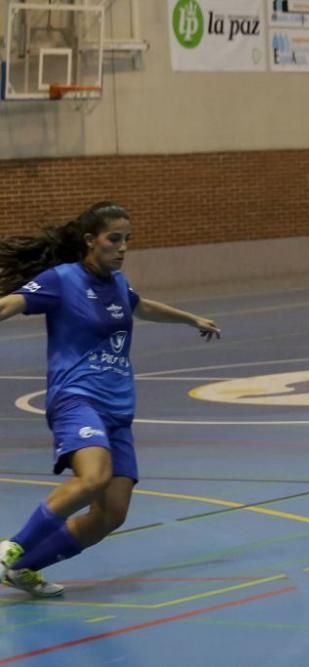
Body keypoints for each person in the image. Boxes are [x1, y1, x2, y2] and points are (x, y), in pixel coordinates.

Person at [0, 202, 221, 597]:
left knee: (111, 514)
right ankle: (11, 548)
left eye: (126, 240)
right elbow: (10, 303)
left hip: (118, 408)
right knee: (94, 478)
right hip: (76, 397)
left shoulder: (118, 283)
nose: (121, 248)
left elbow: (142, 306)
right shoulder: (61, 280)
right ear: (90, 240)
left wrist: (192, 319)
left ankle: (23, 568)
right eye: (113, 239)